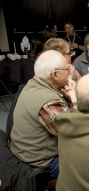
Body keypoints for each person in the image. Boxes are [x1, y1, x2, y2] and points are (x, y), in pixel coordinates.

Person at [9, 50, 77, 179]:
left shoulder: (33, 83)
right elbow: (75, 132)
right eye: (67, 69)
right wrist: (73, 98)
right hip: (42, 163)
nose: (70, 72)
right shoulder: (49, 102)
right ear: (55, 74)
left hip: (23, 151)